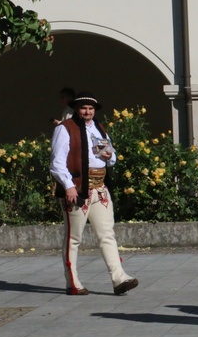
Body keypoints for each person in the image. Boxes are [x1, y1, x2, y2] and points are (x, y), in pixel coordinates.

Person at [50, 92, 139, 296]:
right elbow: (56, 162)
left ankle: (119, 278)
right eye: (84, 108)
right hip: (78, 187)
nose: (88, 111)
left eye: (91, 108)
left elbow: (109, 155)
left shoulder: (99, 128)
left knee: (107, 234)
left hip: (100, 187)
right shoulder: (65, 129)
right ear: (76, 109)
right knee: (74, 238)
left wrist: (109, 155)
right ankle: (72, 282)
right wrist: (69, 186)